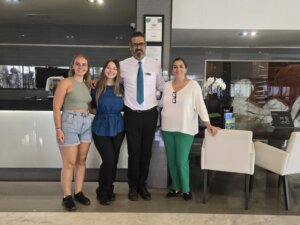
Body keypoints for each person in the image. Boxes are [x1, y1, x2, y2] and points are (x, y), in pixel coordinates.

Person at [160, 57, 219, 201]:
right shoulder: (167, 85)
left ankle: (186, 189)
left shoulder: (193, 86)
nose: (178, 69)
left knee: (181, 160)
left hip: (185, 129)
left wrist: (208, 124)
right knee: (172, 161)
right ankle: (176, 188)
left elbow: (200, 105)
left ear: (186, 69)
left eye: (181, 66)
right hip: (167, 128)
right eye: (175, 66)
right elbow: (161, 103)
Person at [120, 31, 165, 201]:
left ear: (145, 46)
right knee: (133, 152)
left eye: (141, 44)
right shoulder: (123, 65)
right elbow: (115, 85)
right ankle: (132, 187)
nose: (138, 47)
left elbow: (162, 87)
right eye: (135, 44)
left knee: (146, 152)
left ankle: (142, 185)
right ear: (130, 47)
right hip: (131, 115)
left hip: (150, 115)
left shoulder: (155, 65)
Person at [53, 54, 92, 211]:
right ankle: (67, 196)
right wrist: (58, 129)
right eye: (78, 64)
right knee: (69, 163)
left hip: (86, 123)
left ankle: (78, 192)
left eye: (84, 64)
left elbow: (87, 104)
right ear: (73, 66)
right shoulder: (65, 82)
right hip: (69, 122)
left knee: (81, 161)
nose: (81, 67)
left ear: (87, 68)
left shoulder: (87, 85)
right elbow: (56, 107)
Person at [90, 59, 125, 205]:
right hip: (100, 127)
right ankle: (102, 191)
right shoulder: (95, 87)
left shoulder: (121, 88)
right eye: (109, 68)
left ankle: (109, 188)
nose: (111, 71)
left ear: (118, 72)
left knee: (114, 161)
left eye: (114, 68)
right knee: (108, 160)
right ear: (104, 69)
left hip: (118, 127)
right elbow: (89, 106)